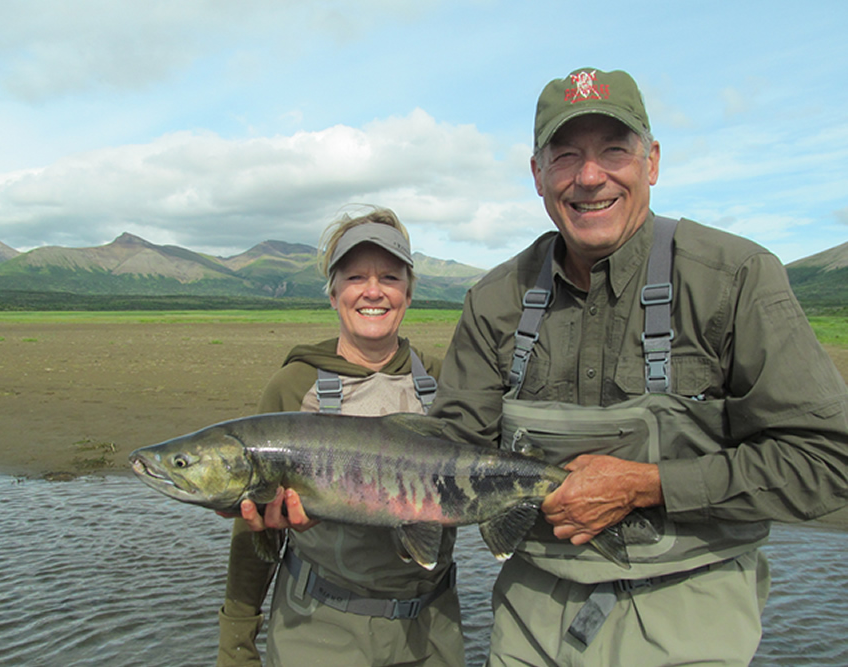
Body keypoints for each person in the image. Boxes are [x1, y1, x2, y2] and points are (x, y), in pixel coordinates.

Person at [429, 67, 848, 666]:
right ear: (538, 175)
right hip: (528, 612)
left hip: (691, 605)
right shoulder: (494, 298)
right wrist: (323, 484)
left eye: (613, 151)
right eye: (566, 155)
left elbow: (830, 462)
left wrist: (646, 485)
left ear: (650, 162)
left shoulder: (735, 278)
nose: (589, 176)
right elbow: (444, 457)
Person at [217, 206, 465, 667]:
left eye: (390, 277)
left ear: (408, 292)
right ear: (333, 293)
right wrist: (236, 639)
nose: (373, 291)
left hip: (433, 628)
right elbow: (250, 533)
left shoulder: (445, 381)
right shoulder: (292, 386)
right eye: (355, 277)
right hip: (318, 629)